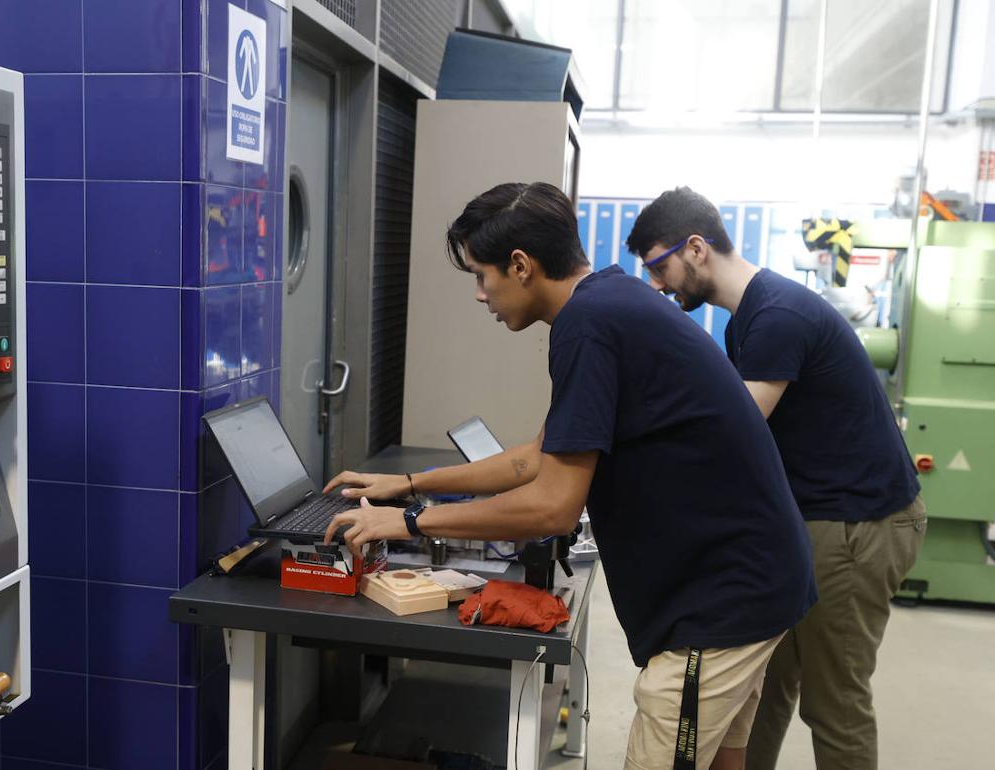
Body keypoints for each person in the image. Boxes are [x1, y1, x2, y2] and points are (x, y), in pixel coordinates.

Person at [323, 182, 816, 770]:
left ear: (522, 266)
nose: (481, 296)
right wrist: (407, 485)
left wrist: (406, 523)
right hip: (760, 576)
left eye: (482, 277)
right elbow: (536, 458)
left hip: (721, 603)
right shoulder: (610, 300)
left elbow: (552, 506)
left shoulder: (589, 325)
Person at [626, 187, 926, 770]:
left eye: (660, 267)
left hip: (856, 525)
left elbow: (731, 436)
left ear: (695, 248)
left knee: (834, 703)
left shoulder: (777, 317)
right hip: (815, 520)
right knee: (762, 689)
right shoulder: (749, 321)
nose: (659, 285)